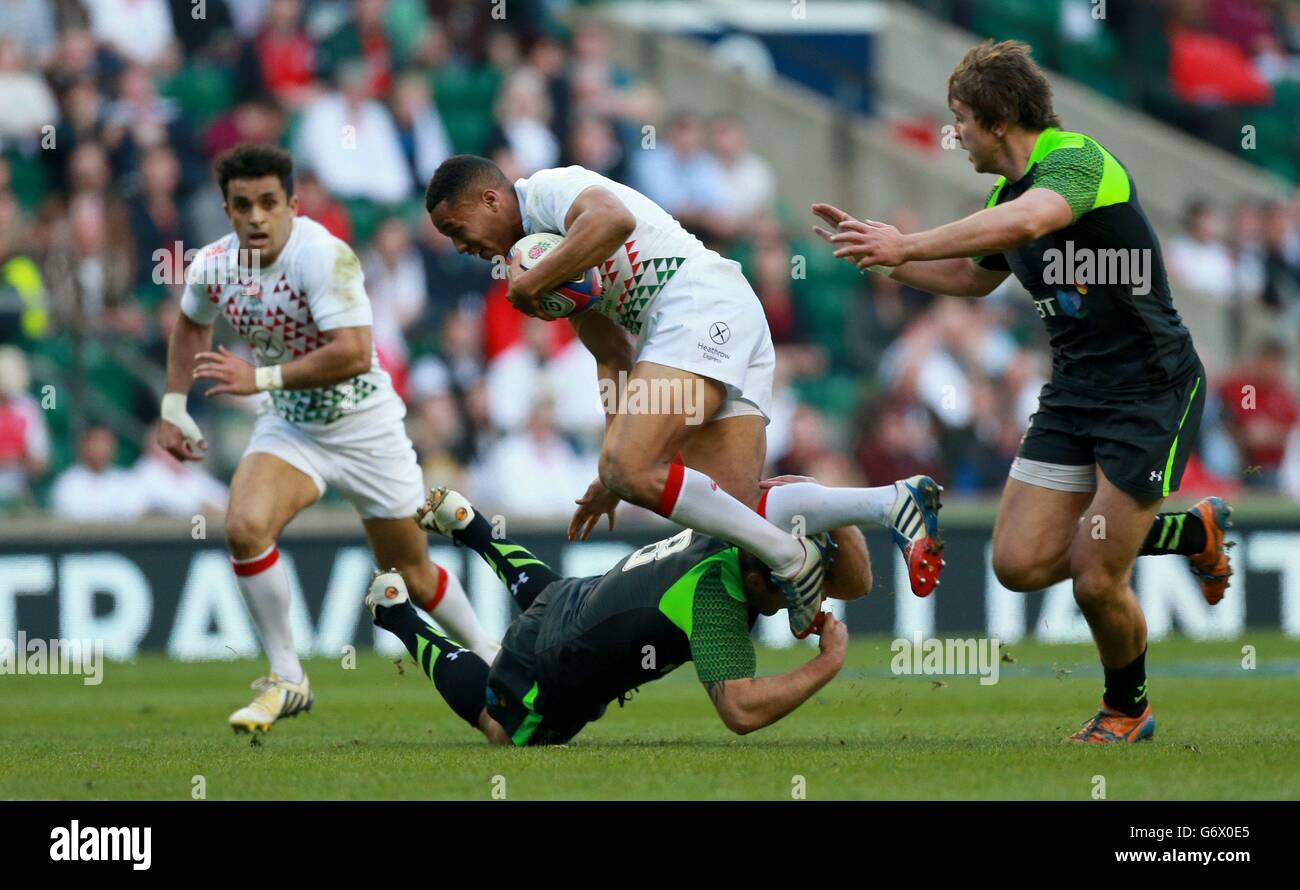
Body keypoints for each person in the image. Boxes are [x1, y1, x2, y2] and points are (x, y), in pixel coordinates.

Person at [812, 40, 1232, 744]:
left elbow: (1032, 223)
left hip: (1150, 389)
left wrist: (907, 244)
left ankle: (1127, 710)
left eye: (960, 120)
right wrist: (884, 262)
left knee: (1096, 577)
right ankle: (1193, 531)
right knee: (1017, 563)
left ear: (997, 119)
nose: (956, 135)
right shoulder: (1004, 196)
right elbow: (976, 277)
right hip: (1074, 394)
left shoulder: (1076, 162)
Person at [423, 154, 946, 638]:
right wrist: (613, 467)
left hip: (695, 306)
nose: (460, 247)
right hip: (716, 319)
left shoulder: (547, 192)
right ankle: (890, 502)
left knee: (662, 484)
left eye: (455, 229)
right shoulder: (547, 262)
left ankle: (790, 557)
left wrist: (532, 282)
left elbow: (613, 221)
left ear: (491, 200)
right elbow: (613, 356)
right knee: (735, 521)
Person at [158, 144, 494, 734]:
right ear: (227, 210)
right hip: (292, 426)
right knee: (243, 526)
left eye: (268, 203)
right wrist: (172, 404)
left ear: (292, 203)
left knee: (411, 573)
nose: (257, 217)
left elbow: (354, 352)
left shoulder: (325, 257)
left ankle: (493, 654)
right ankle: (288, 676)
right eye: (243, 206)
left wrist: (256, 378)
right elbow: (191, 321)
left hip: (366, 428)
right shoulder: (213, 265)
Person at [363, 485, 863, 746]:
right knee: (501, 728)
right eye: (790, 586)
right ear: (755, 582)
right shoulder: (718, 600)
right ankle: (398, 614)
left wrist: (825, 499)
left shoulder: (737, 523)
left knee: (552, 599)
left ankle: (472, 528)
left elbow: (854, 579)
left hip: (576, 600)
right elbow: (740, 711)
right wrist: (826, 664)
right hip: (551, 666)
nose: (799, 595)